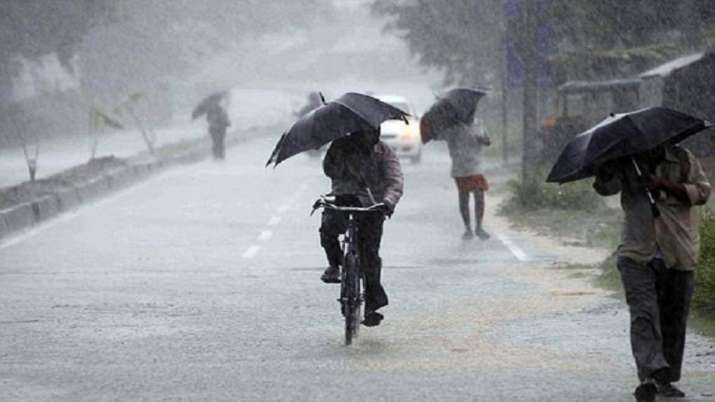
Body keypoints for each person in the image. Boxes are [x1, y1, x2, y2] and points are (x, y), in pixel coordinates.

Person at [593, 143, 711, 402]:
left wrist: (664, 185)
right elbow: (605, 188)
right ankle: (648, 375)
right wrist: (604, 169)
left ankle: (665, 378)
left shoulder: (682, 157)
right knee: (644, 315)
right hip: (637, 251)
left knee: (674, 319)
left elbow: (703, 192)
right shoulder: (626, 158)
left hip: (678, 250)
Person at [319, 128, 404, 326]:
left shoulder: (383, 152)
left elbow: (395, 180)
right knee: (328, 228)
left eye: (372, 133)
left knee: (370, 255)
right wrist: (341, 159)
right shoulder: (340, 145)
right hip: (343, 198)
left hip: (373, 205)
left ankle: (372, 305)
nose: (368, 137)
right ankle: (334, 264)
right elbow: (328, 170)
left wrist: (388, 202)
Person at [438, 108, 491, 240]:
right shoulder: (452, 127)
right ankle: (468, 228)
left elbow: (488, 141)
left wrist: (481, 139)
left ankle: (479, 226)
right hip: (460, 166)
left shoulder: (479, 124)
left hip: (476, 165)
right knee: (464, 197)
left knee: (479, 194)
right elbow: (442, 137)